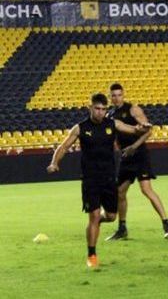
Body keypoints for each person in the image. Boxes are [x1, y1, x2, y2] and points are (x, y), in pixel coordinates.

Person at [46, 93, 151, 268]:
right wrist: (54, 163)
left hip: (109, 179)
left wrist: (143, 127)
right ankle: (92, 254)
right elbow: (64, 146)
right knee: (93, 216)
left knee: (110, 216)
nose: (100, 112)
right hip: (90, 180)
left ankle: (97, 223)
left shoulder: (113, 124)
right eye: (97, 108)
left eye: (103, 109)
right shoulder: (80, 128)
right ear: (90, 108)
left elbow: (133, 130)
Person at [105, 83, 168, 241]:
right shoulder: (110, 115)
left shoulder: (133, 109)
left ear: (123, 95)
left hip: (139, 154)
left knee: (146, 189)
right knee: (120, 192)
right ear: (110, 97)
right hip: (125, 156)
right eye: (113, 95)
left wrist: (134, 146)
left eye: (119, 95)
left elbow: (148, 130)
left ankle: (166, 223)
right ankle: (122, 228)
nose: (116, 98)